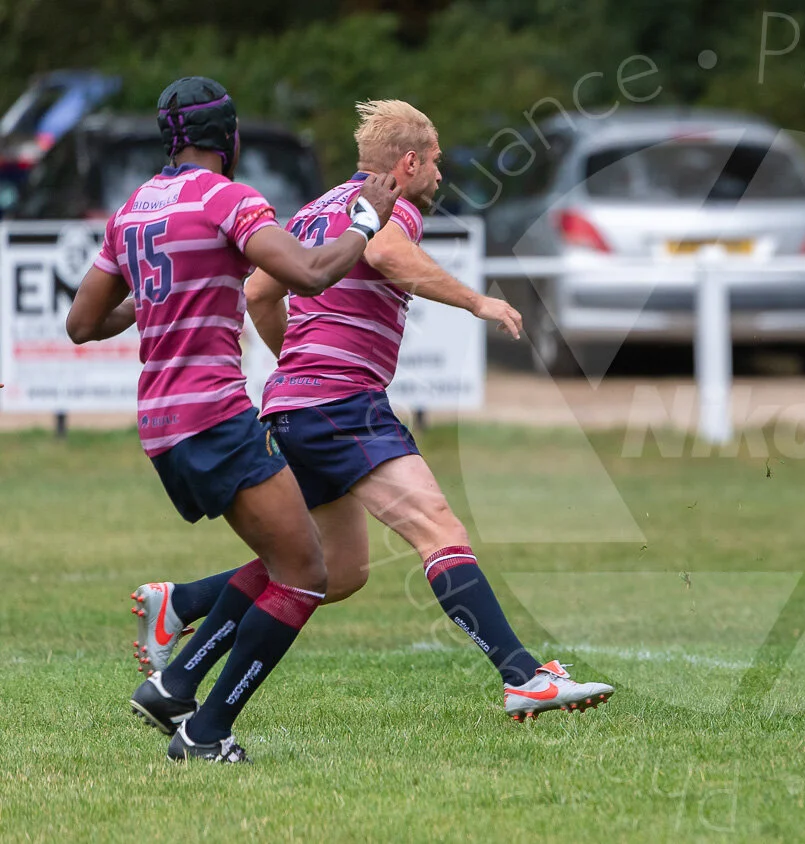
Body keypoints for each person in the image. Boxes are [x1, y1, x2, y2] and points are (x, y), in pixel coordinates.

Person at [127, 99, 614, 722]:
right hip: (340, 403)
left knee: (336, 569)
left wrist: (296, 363)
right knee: (439, 529)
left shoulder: (317, 210)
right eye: (435, 161)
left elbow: (257, 291)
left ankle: (179, 664)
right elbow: (385, 255)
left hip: (299, 405)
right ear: (408, 162)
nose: (440, 174)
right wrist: (476, 302)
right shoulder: (392, 207)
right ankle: (523, 675)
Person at [66, 76, 399, 762]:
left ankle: (177, 682)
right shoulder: (229, 199)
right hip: (214, 414)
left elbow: (81, 323)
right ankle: (206, 730)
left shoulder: (133, 209)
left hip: (161, 427)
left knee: (283, 559)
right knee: (307, 572)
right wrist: (365, 221)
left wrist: (156, 305)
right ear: (229, 137)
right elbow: (308, 274)